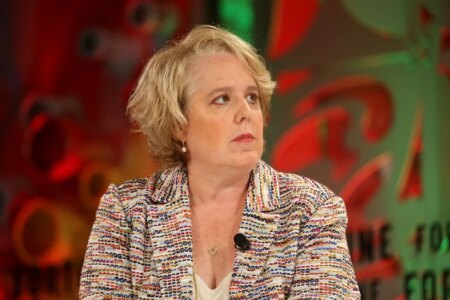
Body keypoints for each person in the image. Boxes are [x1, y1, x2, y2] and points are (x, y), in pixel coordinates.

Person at [79, 24, 360, 299]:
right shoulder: (127, 214)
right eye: (222, 99)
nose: (246, 112)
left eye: (252, 97)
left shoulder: (310, 210)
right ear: (179, 124)